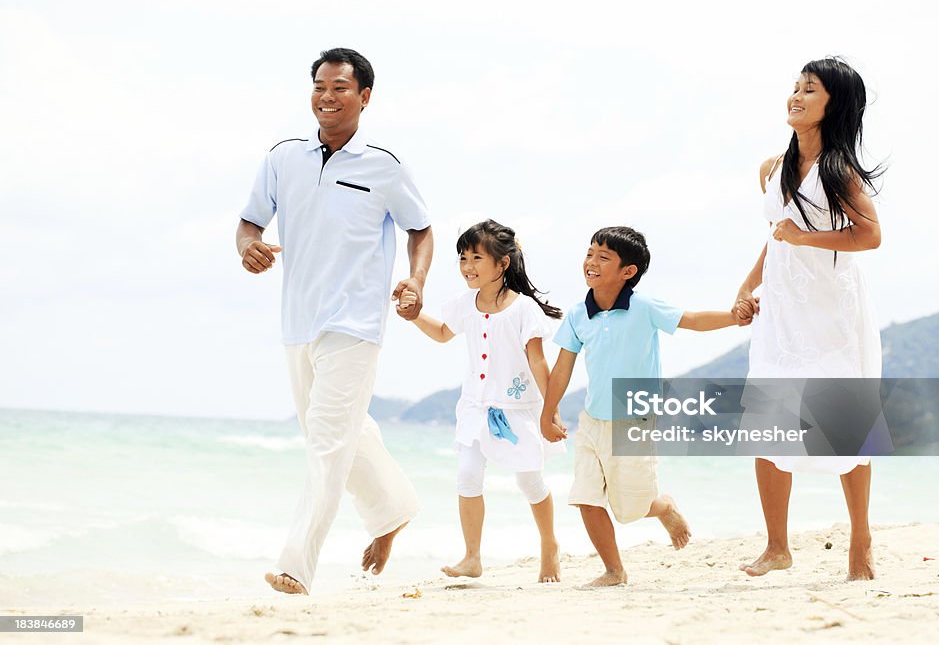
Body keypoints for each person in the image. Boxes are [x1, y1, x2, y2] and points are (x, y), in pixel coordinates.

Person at [236, 47, 434, 595]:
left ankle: (296, 565)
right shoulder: (282, 158)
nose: (327, 96)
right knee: (338, 431)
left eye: (340, 88)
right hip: (298, 320)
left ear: (364, 97)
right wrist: (248, 247)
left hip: (356, 322)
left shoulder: (385, 166)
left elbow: (421, 229)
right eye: (320, 86)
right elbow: (250, 220)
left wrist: (415, 281)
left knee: (326, 443)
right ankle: (394, 506)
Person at [733, 57, 884, 581]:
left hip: (831, 310)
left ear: (832, 104)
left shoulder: (839, 170)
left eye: (809, 90)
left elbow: (869, 236)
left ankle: (860, 541)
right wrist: (748, 284)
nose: (795, 96)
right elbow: (776, 233)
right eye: (794, 88)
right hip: (783, 309)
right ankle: (777, 546)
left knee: (845, 424)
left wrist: (805, 238)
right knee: (767, 421)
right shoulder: (770, 169)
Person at [540, 226, 744, 588]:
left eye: (603, 257)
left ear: (627, 272)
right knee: (585, 498)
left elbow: (693, 321)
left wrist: (734, 316)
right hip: (592, 420)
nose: (591, 262)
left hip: (635, 417)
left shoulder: (644, 307)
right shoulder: (577, 314)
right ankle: (614, 570)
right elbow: (563, 367)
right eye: (589, 253)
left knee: (630, 509)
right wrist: (548, 411)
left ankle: (663, 506)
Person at [398, 220, 564, 582]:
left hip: (518, 410)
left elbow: (538, 361)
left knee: (530, 483)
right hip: (475, 407)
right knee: (468, 476)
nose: (467, 266)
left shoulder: (524, 311)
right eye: (462, 257)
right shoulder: (463, 305)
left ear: (502, 263)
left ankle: (549, 545)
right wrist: (413, 317)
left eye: (476, 257)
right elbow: (443, 334)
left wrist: (549, 413)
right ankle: (472, 557)